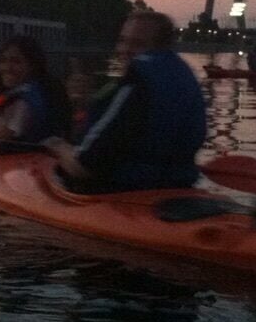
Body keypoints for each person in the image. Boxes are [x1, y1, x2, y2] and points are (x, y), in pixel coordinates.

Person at [45, 11, 206, 192]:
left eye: (137, 44)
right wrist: (84, 105)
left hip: (127, 191)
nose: (125, 50)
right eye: (123, 41)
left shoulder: (136, 80)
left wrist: (57, 146)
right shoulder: (184, 73)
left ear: (160, 46)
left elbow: (83, 167)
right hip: (180, 184)